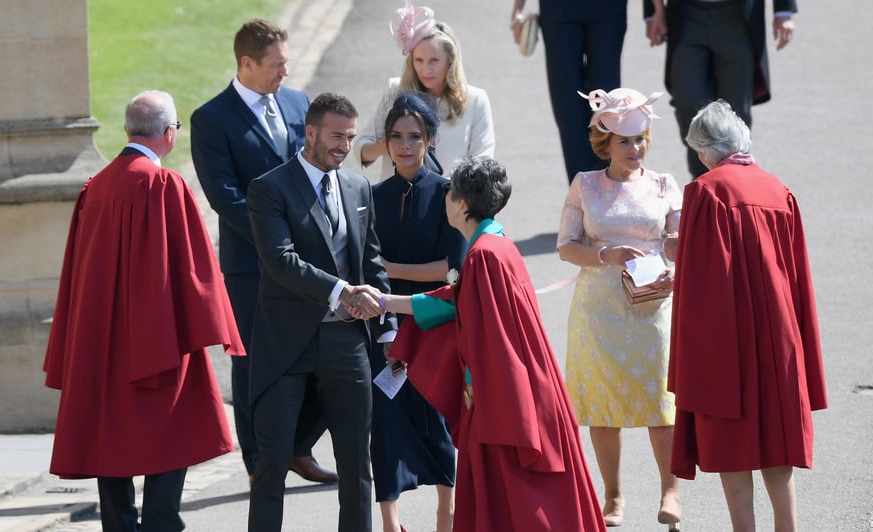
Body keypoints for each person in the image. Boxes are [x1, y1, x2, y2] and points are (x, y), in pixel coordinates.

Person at [379, 156, 612, 532]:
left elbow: (489, 335)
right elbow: (454, 302)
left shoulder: (482, 254)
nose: (444, 200)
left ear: (461, 202)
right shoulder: (494, 243)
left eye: (448, 194)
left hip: (511, 398)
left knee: (531, 497)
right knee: (508, 498)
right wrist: (386, 302)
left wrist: (492, 406)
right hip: (519, 390)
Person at [44, 90, 244, 532]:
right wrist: (213, 325)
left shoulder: (95, 187)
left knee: (106, 434)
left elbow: (74, 275)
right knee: (170, 429)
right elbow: (193, 269)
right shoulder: (163, 185)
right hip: (155, 334)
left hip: (99, 338)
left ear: (129, 131)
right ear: (169, 132)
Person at [236, 93, 397, 532]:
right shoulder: (269, 188)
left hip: (347, 346)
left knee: (356, 465)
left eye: (351, 138)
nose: (345, 147)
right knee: (271, 462)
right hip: (286, 347)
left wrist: (388, 327)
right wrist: (339, 292)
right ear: (310, 133)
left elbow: (371, 262)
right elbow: (280, 263)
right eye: (336, 137)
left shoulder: (357, 188)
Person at [670, 100, 826, 532]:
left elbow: (703, 277)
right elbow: (798, 273)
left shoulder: (706, 191)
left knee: (730, 425)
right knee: (776, 426)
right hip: (779, 329)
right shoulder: (779, 190)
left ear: (704, 151)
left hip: (729, 330)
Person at [191, 19, 336, 485]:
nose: (285, 72)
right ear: (247, 63)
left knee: (326, 352)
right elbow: (223, 196)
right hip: (252, 263)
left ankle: (298, 447)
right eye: (276, 65)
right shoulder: (211, 119)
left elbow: (316, 168)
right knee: (254, 362)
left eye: (288, 62)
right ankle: (260, 464)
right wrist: (277, 238)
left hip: (307, 258)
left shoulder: (296, 103)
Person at [556, 87, 683, 532]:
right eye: (626, 140)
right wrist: (604, 256)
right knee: (603, 404)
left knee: (659, 400)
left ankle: (670, 489)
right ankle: (613, 494)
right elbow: (566, 247)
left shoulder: (666, 184)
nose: (635, 148)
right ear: (605, 143)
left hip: (651, 308)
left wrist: (672, 245)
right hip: (599, 310)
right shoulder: (586, 185)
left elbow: (682, 241)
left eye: (641, 138)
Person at [368, 92, 466, 532]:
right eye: (396, 137)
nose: (404, 146)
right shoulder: (372, 197)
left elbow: (453, 270)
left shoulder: (449, 193)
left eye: (414, 137)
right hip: (383, 327)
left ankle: (446, 520)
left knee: (438, 422)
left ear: (429, 141)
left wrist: (388, 269)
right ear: (386, 143)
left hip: (435, 325)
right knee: (383, 429)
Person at [643, 0, 798, 178]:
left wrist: (784, 12)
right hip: (687, 13)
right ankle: (704, 182)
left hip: (737, 15)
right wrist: (655, 11)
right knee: (689, 103)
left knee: (736, 112)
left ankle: (733, 182)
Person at [356, 2, 494, 180]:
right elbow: (362, 150)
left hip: (450, 201)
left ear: (450, 61)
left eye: (434, 60)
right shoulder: (396, 90)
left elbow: (482, 161)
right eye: (419, 60)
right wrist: (391, 145)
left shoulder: (476, 100)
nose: (425, 69)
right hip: (398, 200)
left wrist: (449, 190)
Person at [509, 0, 628, 183]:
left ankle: (607, 189)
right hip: (559, 8)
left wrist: (655, 11)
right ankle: (581, 193)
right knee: (568, 107)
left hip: (608, 8)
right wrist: (518, 9)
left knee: (605, 105)